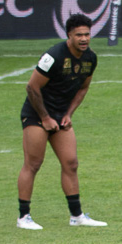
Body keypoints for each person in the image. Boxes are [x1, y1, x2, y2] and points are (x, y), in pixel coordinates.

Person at [17, 15, 106, 231]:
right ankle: (23, 217)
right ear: (69, 35)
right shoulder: (54, 55)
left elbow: (83, 88)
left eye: (87, 34)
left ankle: (76, 216)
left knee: (71, 163)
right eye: (79, 35)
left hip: (60, 116)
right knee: (34, 163)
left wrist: (68, 113)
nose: (84, 39)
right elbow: (31, 87)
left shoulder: (90, 58)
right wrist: (45, 118)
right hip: (37, 114)